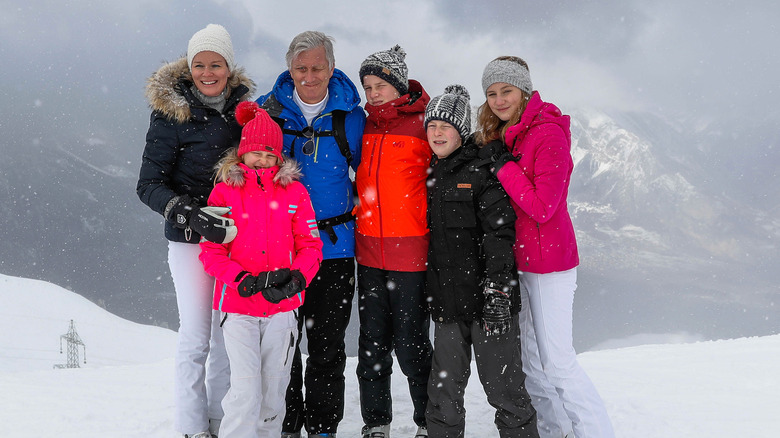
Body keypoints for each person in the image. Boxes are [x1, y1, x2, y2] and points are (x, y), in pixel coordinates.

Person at [477, 56, 615, 438]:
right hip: (519, 262)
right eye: (491, 93)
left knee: (558, 362)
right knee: (531, 363)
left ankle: (597, 431)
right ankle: (554, 430)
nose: (499, 100)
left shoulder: (547, 133)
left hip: (550, 264)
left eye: (506, 91)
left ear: (524, 91)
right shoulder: (510, 133)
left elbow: (542, 207)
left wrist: (503, 167)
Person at [136, 24, 254, 438]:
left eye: (216, 64)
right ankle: (191, 426)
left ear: (228, 66)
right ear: (189, 67)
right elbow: (148, 185)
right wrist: (191, 214)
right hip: (189, 242)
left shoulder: (245, 111)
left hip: (234, 241)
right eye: (199, 64)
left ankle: (221, 421)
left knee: (226, 337)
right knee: (196, 337)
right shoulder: (171, 113)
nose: (208, 72)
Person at [255, 30, 366, 438]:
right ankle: (288, 424)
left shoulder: (351, 116)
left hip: (334, 249)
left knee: (326, 346)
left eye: (317, 67)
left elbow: (367, 175)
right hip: (282, 248)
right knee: (284, 349)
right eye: (301, 68)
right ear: (290, 69)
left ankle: (321, 428)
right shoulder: (269, 113)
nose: (309, 75)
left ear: (331, 67)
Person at [199, 102, 323, 438]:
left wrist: (297, 279)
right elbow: (211, 250)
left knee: (274, 390)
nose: (263, 161)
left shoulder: (294, 192)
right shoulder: (225, 190)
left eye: (271, 155)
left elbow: (311, 245)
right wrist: (242, 280)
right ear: (243, 153)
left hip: (283, 307)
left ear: (280, 157)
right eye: (256, 153)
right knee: (245, 390)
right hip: (239, 306)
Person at [423, 85, 539, 438]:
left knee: (505, 391)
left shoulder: (483, 170)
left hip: (490, 305)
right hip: (447, 305)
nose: (437, 133)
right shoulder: (431, 174)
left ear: (461, 131)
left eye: (446, 127)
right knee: (442, 396)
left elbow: (499, 234)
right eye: (431, 127)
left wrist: (498, 292)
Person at [354, 45, 433, 438]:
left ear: (398, 85)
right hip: (368, 253)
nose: (373, 94)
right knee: (371, 345)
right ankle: (376, 423)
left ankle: (427, 422)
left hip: (412, 256)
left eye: (380, 85)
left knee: (412, 344)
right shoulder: (364, 126)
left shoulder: (424, 125)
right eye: (367, 87)